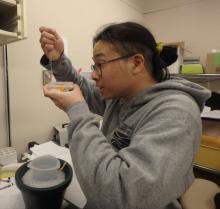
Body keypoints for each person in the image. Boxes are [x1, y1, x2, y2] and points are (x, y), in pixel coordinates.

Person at [39, 22, 211, 209]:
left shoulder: (177, 113)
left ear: (136, 63)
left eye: (100, 64)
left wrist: (78, 113)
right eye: (94, 66)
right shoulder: (121, 96)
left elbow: (120, 195)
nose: (94, 75)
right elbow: (82, 89)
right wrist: (58, 59)